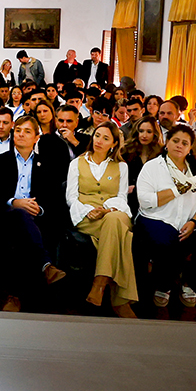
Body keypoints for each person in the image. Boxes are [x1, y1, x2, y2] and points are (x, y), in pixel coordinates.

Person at [0, 115, 67, 312]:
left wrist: (39, 208)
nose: (21, 134)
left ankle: (15, 295)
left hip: (36, 218)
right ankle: (45, 266)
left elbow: (54, 198)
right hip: (4, 215)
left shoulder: (46, 164)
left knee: (23, 232)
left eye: (27, 131)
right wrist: (14, 202)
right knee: (20, 217)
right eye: (17, 130)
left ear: (37, 137)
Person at [135, 123, 196, 311]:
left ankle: (189, 281)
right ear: (167, 143)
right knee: (168, 240)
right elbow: (145, 201)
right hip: (156, 218)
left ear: (190, 147)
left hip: (191, 220)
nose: (179, 145)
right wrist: (177, 190)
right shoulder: (152, 167)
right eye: (175, 141)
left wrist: (194, 222)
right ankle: (164, 285)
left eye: (185, 143)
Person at [66, 121, 138, 317]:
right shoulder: (77, 163)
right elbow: (71, 197)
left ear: (114, 144)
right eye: (97, 135)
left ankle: (99, 284)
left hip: (114, 212)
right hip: (86, 214)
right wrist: (89, 210)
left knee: (114, 220)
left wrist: (106, 210)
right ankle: (120, 300)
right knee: (121, 235)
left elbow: (122, 197)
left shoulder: (121, 166)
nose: (99, 141)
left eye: (106, 138)